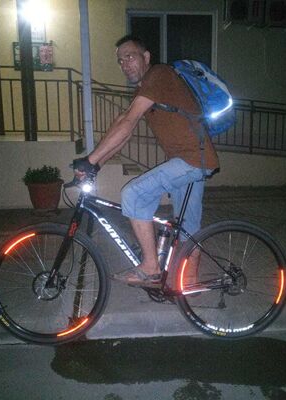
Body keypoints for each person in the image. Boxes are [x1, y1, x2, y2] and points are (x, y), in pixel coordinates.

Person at [74, 35, 219, 286]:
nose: (125, 64)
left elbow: (128, 121)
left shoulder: (159, 74)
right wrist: (96, 163)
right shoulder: (146, 87)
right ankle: (189, 287)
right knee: (188, 227)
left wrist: (91, 160)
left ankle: (151, 267)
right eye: (120, 61)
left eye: (130, 57)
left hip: (192, 159)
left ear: (146, 57)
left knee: (134, 195)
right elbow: (124, 125)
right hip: (192, 159)